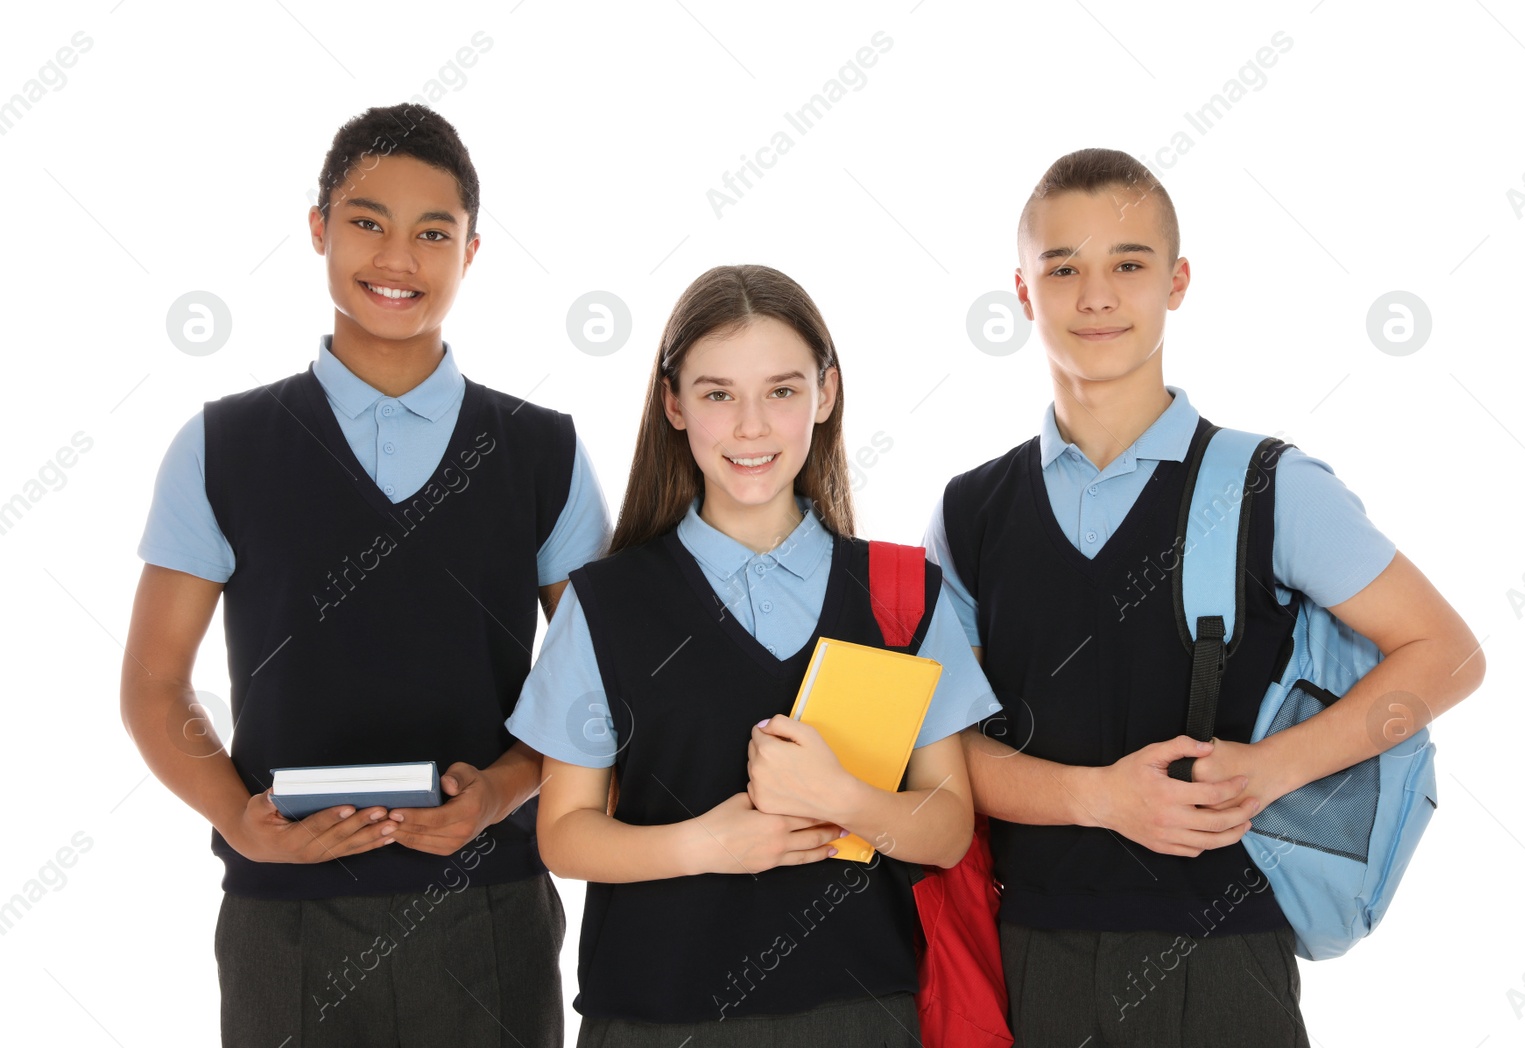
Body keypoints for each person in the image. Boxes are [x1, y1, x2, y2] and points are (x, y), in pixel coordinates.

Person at [928, 148, 1486, 1047]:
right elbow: (945, 749)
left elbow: (1447, 654)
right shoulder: (971, 512)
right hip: (1027, 959)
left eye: (1129, 264)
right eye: (1062, 268)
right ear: (1023, 294)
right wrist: (1099, 797)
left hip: (1225, 959)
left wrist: (1273, 768)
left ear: (1177, 282)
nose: (1096, 295)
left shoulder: (1272, 487)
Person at [119, 103, 608, 1047]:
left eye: (434, 232)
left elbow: (596, 682)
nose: (398, 259)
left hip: (490, 912)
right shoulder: (223, 446)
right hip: (285, 922)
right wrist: (240, 819)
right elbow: (152, 683)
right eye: (368, 222)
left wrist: (501, 793)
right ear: (319, 229)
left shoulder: (540, 452)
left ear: (472, 252)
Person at [506, 263, 999, 1046]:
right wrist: (707, 844)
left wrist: (842, 797)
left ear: (825, 395)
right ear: (673, 404)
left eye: (781, 390)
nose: (750, 427)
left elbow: (947, 827)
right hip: (654, 1020)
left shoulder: (902, 594)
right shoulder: (606, 603)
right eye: (716, 394)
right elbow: (563, 833)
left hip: (862, 1016)